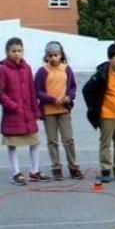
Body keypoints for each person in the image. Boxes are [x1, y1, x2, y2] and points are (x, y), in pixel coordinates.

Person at [82, 43, 115, 183]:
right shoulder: (101, 74)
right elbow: (86, 90)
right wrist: (93, 108)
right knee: (105, 143)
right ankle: (105, 169)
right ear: (110, 59)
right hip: (106, 114)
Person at [0, 37, 43, 185]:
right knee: (12, 143)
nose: (17, 54)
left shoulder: (27, 68)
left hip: (28, 113)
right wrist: (11, 105)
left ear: (23, 51)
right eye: (13, 51)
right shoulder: (3, 69)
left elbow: (32, 91)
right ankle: (16, 173)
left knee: (34, 142)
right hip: (13, 113)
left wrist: (36, 111)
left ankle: (34, 171)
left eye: (19, 50)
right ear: (7, 52)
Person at [35, 41, 82, 181]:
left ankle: (73, 167)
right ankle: (56, 167)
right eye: (50, 56)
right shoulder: (42, 71)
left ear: (61, 55)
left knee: (68, 139)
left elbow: (73, 87)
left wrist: (69, 97)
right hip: (49, 111)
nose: (53, 58)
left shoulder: (67, 69)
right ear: (46, 57)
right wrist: (51, 99)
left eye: (56, 55)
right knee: (52, 141)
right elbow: (38, 91)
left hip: (64, 109)